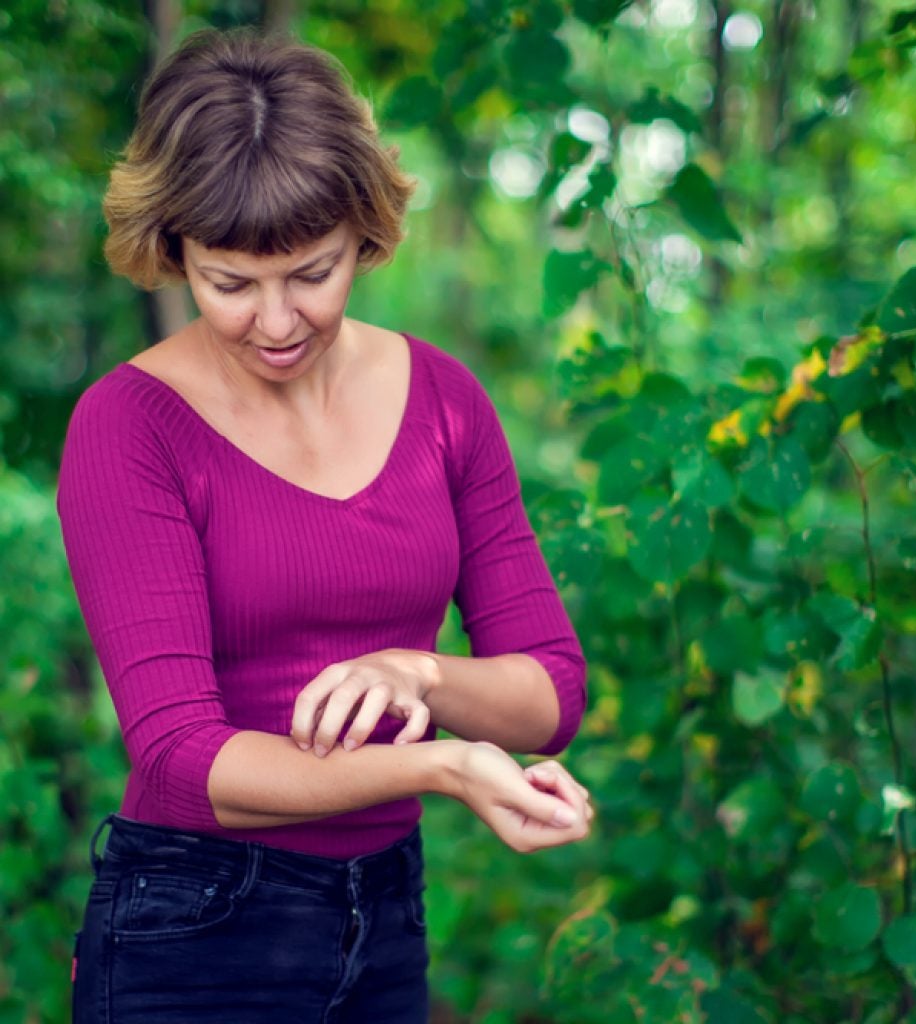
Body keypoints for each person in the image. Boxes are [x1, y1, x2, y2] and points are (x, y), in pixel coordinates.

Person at [57, 28, 591, 1024]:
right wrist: (438, 760)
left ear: (364, 233)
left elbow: (548, 694)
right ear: (175, 252)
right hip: (193, 930)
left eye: (312, 272)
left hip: (383, 918)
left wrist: (420, 673)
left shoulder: (443, 401)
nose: (275, 320)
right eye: (229, 282)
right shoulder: (126, 426)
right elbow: (182, 752)